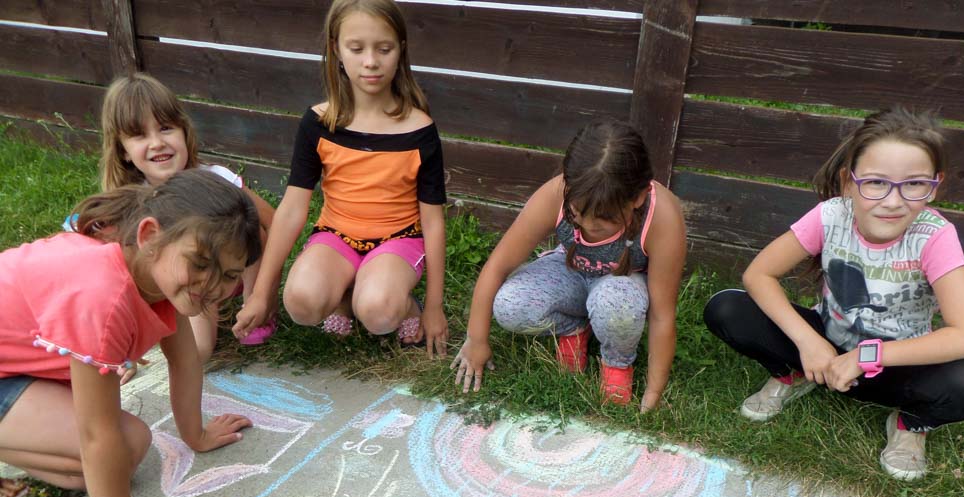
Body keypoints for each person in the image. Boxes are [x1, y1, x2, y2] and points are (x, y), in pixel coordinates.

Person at [702, 107, 964, 480]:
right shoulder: (830, 216)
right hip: (826, 349)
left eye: (914, 184)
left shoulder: (934, 235)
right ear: (848, 181)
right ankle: (795, 374)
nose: (893, 201)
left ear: (935, 185)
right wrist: (809, 342)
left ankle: (910, 423)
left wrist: (866, 356)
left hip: (895, 365)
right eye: (875, 182)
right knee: (727, 308)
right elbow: (758, 274)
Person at [0, 170, 262, 497]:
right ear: (149, 235)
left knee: (108, 461)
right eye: (200, 263)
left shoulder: (155, 267)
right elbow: (96, 433)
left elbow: (184, 359)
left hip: (16, 365)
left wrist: (197, 436)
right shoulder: (102, 298)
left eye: (229, 276)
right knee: (118, 449)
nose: (211, 285)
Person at [232, 0, 449, 356]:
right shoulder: (318, 123)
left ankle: (405, 305)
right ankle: (346, 294)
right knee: (300, 303)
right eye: (356, 48)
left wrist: (435, 306)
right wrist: (259, 294)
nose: (370, 61)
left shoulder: (419, 130)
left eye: (384, 49)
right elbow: (292, 209)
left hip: (397, 239)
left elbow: (433, 220)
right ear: (336, 49)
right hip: (337, 236)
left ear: (401, 50)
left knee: (378, 312)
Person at [452, 118, 687, 410]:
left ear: (638, 198)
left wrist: (654, 391)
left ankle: (617, 362)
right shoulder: (555, 194)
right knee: (511, 304)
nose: (589, 225)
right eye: (577, 213)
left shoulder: (662, 217)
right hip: (571, 274)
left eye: (605, 218)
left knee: (616, 304)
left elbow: (663, 314)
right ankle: (574, 327)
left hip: (621, 285)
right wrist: (476, 340)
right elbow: (498, 265)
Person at [95, 72, 277, 359]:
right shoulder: (126, 201)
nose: (157, 142)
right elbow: (97, 264)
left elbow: (275, 223)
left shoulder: (216, 179)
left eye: (166, 128)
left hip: (219, 272)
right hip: (180, 280)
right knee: (198, 350)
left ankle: (252, 312)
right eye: (140, 134)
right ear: (123, 151)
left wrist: (262, 296)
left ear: (184, 131)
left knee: (249, 227)